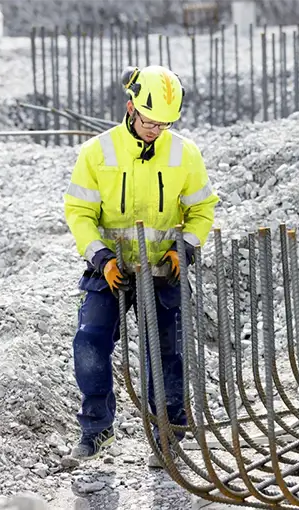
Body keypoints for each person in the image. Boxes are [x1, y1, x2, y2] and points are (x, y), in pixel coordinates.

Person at [63, 65, 219, 467]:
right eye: (150, 121)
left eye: (164, 123)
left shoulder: (185, 153)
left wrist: (183, 248)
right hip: (111, 268)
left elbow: (202, 208)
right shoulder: (97, 152)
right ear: (131, 106)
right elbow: (79, 212)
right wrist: (100, 257)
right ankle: (96, 431)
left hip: (165, 270)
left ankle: (169, 434)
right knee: (90, 341)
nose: (155, 129)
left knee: (167, 351)